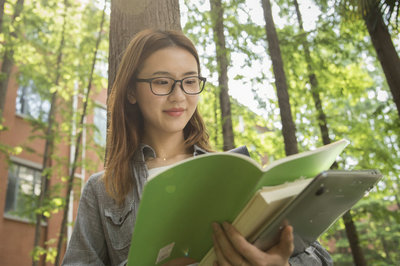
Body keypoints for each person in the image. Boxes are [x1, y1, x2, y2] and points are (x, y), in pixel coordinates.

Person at [62, 29, 332, 266]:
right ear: (132, 91)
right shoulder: (103, 189)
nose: (178, 96)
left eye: (190, 81)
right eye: (162, 82)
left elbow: (320, 258)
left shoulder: (234, 172)